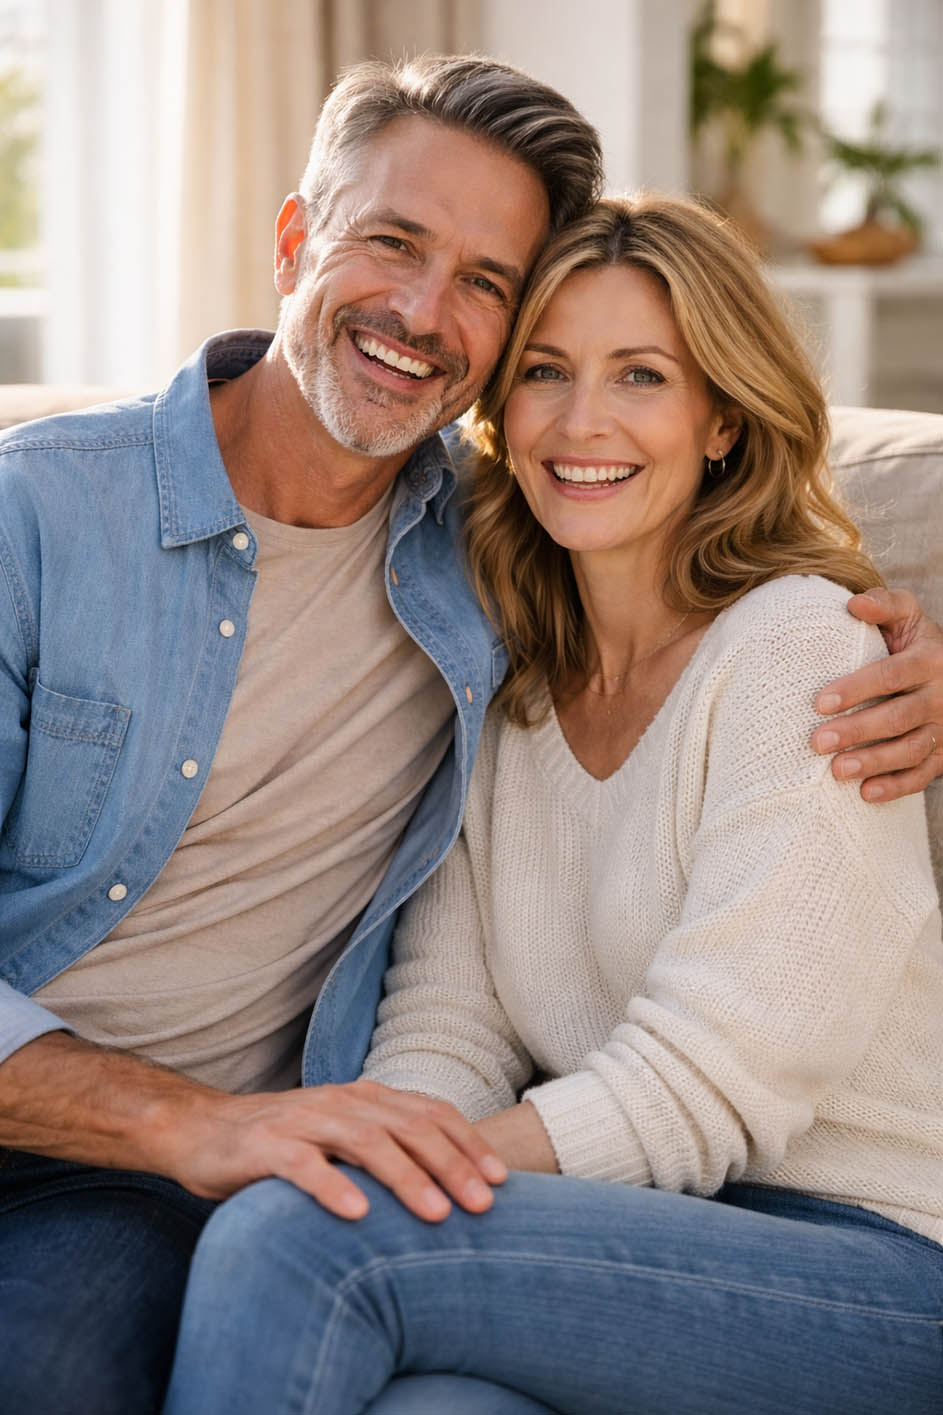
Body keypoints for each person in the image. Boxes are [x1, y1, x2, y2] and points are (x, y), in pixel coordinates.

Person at [0, 57, 939, 1415]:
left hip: (857, 1245)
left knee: (285, 1252)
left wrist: (369, 1173)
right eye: (391, 242)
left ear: (721, 417)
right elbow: (451, 1007)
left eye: (488, 285)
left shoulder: (727, 635)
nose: (422, 315)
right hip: (526, 1224)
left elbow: (710, 1070)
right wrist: (370, 1137)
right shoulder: (495, 645)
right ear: (290, 242)